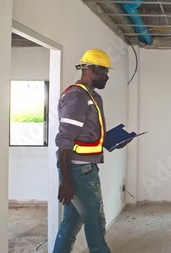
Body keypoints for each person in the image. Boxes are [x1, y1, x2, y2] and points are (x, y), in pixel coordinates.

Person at [53, 49, 118, 253]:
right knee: (96, 223)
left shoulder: (92, 97)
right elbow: (64, 141)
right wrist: (66, 180)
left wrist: (112, 142)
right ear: (90, 69)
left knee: (71, 222)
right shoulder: (76, 96)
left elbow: (87, 137)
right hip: (78, 171)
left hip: (85, 168)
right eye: (104, 71)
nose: (107, 76)